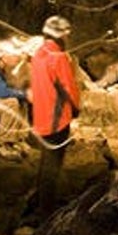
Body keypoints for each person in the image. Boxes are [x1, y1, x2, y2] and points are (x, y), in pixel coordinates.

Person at [30, 15, 80, 215]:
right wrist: (76, 109)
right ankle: (46, 212)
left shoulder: (39, 53)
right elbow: (68, 87)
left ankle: (35, 203)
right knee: (52, 165)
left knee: (45, 161)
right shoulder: (57, 57)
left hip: (41, 116)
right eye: (67, 34)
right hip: (57, 119)